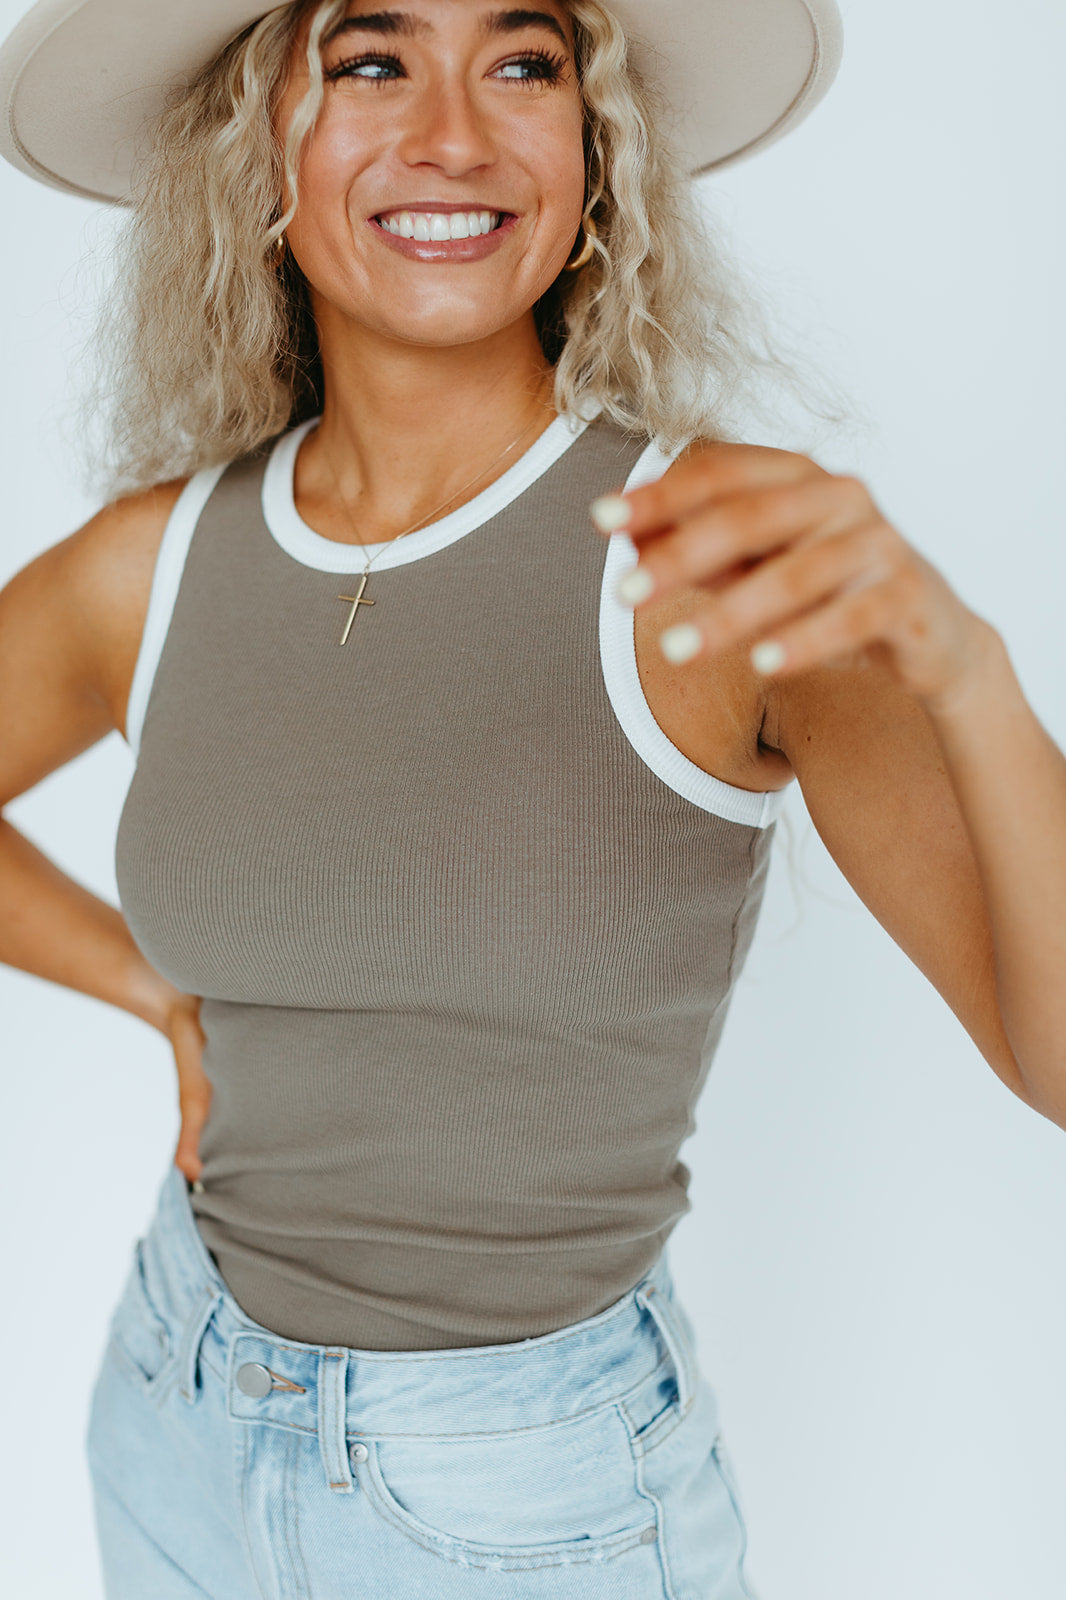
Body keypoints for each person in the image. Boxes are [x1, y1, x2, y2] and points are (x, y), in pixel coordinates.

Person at [1, 0, 1064, 1595]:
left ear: (592, 158)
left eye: (523, 64)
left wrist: (967, 672)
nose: (453, 133)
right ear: (257, 154)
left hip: (518, 1491)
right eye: (371, 62)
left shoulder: (711, 564)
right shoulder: (152, 565)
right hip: (179, 1402)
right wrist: (156, 994)